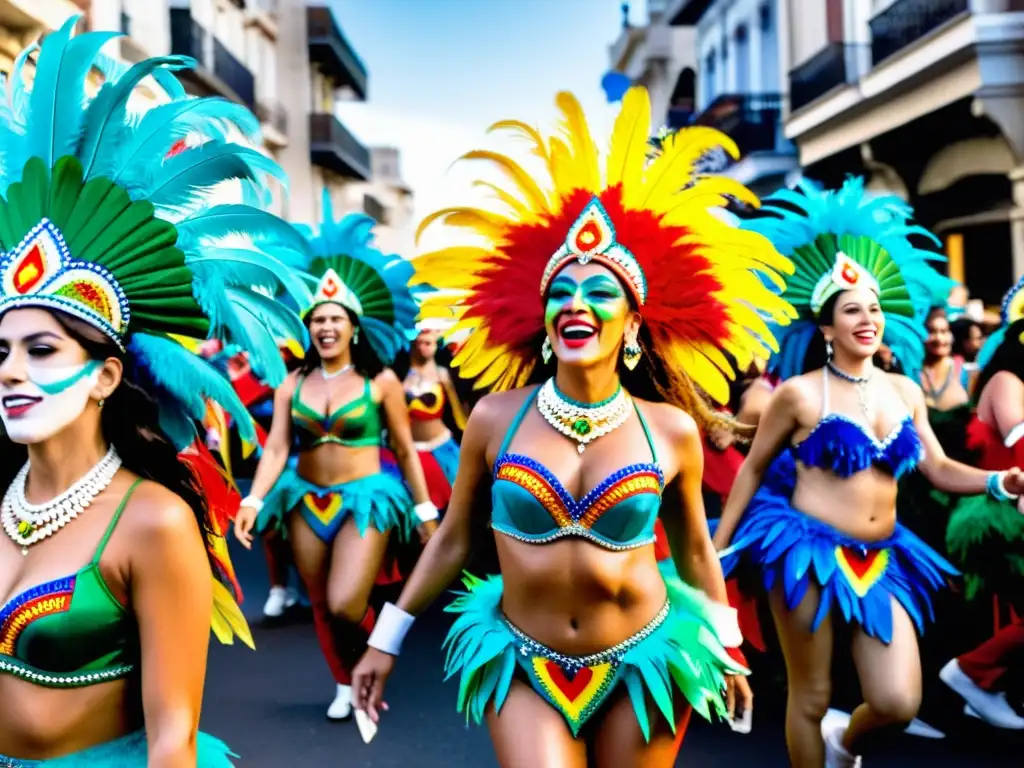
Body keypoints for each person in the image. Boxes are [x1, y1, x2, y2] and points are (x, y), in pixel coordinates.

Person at [352, 87, 795, 767]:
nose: (576, 303)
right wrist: (386, 637)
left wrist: (728, 647)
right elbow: (453, 537)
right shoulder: (497, 419)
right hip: (525, 657)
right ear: (546, 322)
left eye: (599, 292)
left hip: (644, 656)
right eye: (560, 291)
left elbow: (697, 552)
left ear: (634, 326)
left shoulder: (670, 430)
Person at [0, 18, 309, 765]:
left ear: (106, 374)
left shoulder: (154, 522)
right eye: (1, 350)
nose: (11, 370)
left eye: (42, 351)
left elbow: (173, 738)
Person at [712, 178, 1023, 768]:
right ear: (826, 328)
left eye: (875, 308)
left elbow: (933, 464)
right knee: (812, 695)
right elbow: (753, 469)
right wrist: (719, 548)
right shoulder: (799, 396)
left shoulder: (905, 391)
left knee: (898, 700)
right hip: (803, 553)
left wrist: (995, 481)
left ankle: (844, 744)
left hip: (882, 559)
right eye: (852, 310)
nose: (868, 318)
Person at [232, 194, 440, 722]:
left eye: (335, 318)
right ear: (308, 327)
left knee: (349, 603)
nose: (326, 327)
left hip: (365, 501)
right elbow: (278, 446)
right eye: (317, 319)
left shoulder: (380, 382)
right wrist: (254, 497)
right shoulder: (291, 383)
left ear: (353, 325)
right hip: (304, 499)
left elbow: (403, 447)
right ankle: (344, 682)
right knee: (323, 604)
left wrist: (423, 511)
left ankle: (373, 654)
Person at [943, 276, 1024, 729]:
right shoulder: (1008, 380)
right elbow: (1019, 438)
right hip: (997, 511)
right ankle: (972, 673)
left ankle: (980, 678)